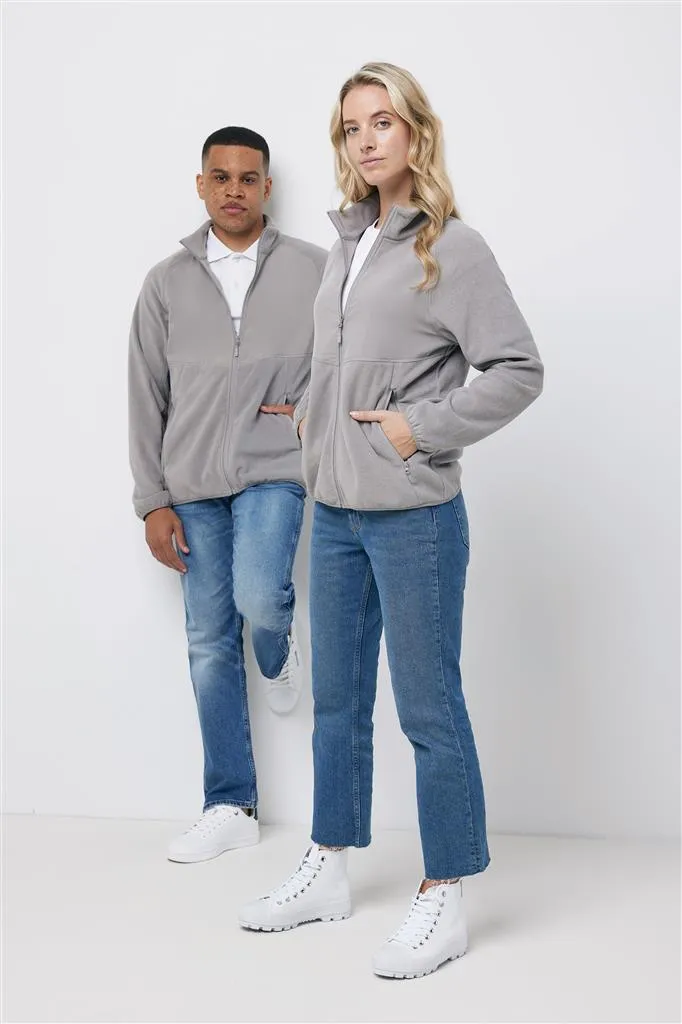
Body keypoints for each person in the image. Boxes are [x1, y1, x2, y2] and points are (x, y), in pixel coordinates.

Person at [238, 65, 544, 978]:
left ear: (415, 132)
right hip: (335, 513)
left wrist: (420, 429)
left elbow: (518, 369)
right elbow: (356, 360)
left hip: (415, 517)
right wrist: (315, 414)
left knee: (427, 707)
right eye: (351, 128)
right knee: (337, 702)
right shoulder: (349, 245)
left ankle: (444, 891)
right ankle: (329, 865)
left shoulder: (453, 248)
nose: (366, 140)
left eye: (382, 122)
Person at [128, 126, 327, 863]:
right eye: (221, 177)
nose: (234, 190)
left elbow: (344, 360)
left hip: (276, 468)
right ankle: (230, 803)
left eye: (248, 178)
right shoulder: (166, 282)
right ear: (201, 185)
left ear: (267, 187)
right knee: (209, 642)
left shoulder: (314, 268)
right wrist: (152, 498)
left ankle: (279, 650)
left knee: (260, 597)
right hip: (191, 483)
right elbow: (145, 393)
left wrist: (306, 412)